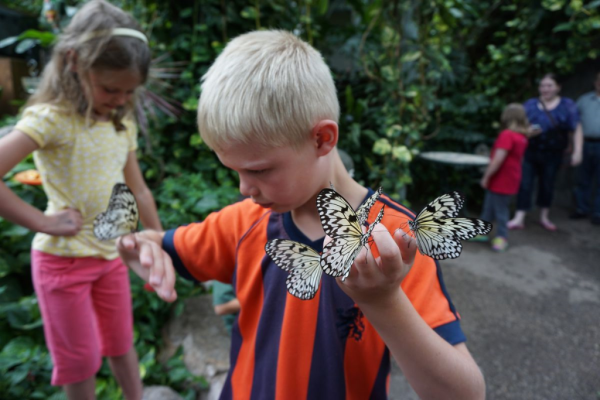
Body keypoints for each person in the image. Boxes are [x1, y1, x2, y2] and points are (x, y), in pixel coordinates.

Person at [117, 30, 485, 399]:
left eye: (259, 171)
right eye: (235, 171)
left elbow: (464, 394)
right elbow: (159, 245)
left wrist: (383, 302)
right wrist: (142, 248)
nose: (244, 188)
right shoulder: (242, 223)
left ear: (322, 139)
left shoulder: (397, 241)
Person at [0, 1, 162, 399]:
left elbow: (138, 189)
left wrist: (159, 241)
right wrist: (43, 222)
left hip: (110, 258)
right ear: (74, 61)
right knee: (80, 360)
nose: (121, 99)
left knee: (122, 343)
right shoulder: (50, 120)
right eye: (111, 89)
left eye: (129, 91)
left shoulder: (119, 124)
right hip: (61, 263)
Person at [507, 73, 582, 231]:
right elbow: (517, 127)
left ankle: (544, 216)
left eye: (549, 85)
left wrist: (577, 151)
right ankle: (519, 217)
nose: (545, 89)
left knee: (547, 184)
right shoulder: (530, 104)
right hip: (530, 151)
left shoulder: (567, 105)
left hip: (553, 153)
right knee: (525, 183)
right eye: (542, 85)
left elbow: (576, 128)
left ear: (558, 87)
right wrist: (528, 132)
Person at [475, 104, 534, 252]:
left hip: (501, 178)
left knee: (501, 209)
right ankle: (481, 232)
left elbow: (497, 160)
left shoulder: (506, 135)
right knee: (489, 205)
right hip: (512, 176)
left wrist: (486, 176)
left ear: (506, 117)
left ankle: (502, 236)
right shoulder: (522, 136)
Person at [571, 72, 600, 226]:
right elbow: (575, 123)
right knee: (582, 178)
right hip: (585, 143)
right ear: (595, 82)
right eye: (599, 80)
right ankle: (581, 208)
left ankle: (598, 213)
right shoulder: (583, 100)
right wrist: (575, 146)